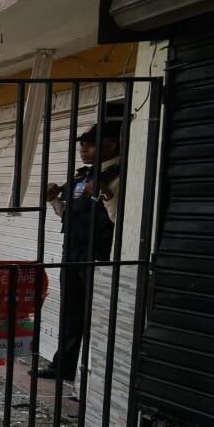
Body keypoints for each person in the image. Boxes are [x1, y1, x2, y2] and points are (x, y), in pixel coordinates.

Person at [34, 122, 122, 381]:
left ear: (111, 145)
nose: (83, 149)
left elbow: (122, 220)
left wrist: (105, 194)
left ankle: (94, 378)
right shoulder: (81, 177)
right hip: (72, 253)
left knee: (98, 316)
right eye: (82, 144)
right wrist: (53, 199)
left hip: (99, 256)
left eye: (90, 145)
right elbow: (70, 214)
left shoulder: (119, 175)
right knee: (71, 313)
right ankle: (63, 367)